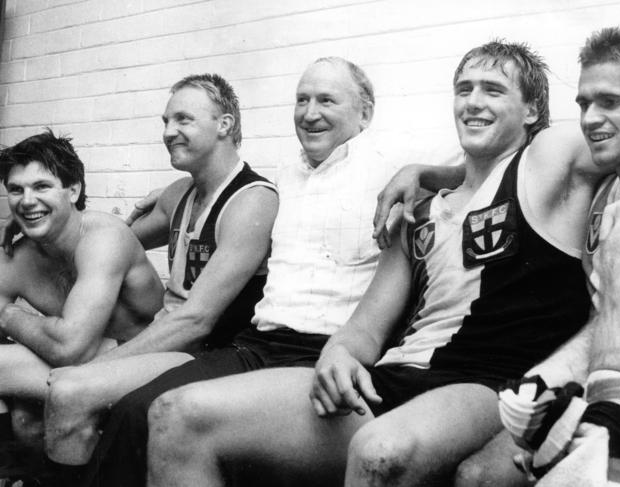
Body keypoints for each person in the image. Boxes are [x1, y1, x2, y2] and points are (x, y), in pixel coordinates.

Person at [143, 40, 607, 487]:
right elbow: (365, 327)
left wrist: (424, 170)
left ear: (530, 111)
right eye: (464, 89)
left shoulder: (546, 161)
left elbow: (619, 131)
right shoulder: (417, 212)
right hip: (396, 374)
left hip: (487, 381)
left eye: (493, 89)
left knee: (378, 451)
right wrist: (339, 355)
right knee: (176, 414)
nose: (473, 102)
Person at [72, 56, 399, 487]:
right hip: (255, 345)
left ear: (366, 111)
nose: (310, 112)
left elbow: (472, 166)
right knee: (133, 409)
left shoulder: (393, 166)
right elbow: (219, 182)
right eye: (302, 100)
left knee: (168, 413)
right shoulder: (288, 176)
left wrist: (423, 173)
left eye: (327, 100)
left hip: (320, 354)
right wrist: (171, 193)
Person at [42, 73, 278, 468]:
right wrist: (45, 228)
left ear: (225, 125)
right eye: (166, 122)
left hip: (211, 351)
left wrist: (95, 367)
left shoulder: (251, 200)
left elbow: (196, 321)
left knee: (69, 388)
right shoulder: (176, 195)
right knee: (53, 390)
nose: (169, 132)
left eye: (183, 119)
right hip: (169, 341)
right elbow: (110, 243)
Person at [492, 24, 620, 487]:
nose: (590, 118)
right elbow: (611, 316)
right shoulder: (609, 190)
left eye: (611, 101)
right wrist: (544, 381)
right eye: (583, 103)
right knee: (483, 470)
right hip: (611, 389)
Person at [0, 130, 164, 477]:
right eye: (16, 190)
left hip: (145, 359)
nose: (27, 200)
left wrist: (7, 314)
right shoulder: (18, 257)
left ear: (73, 190)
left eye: (42, 187)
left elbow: (70, 346)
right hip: (81, 362)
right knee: (25, 420)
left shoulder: (103, 237)